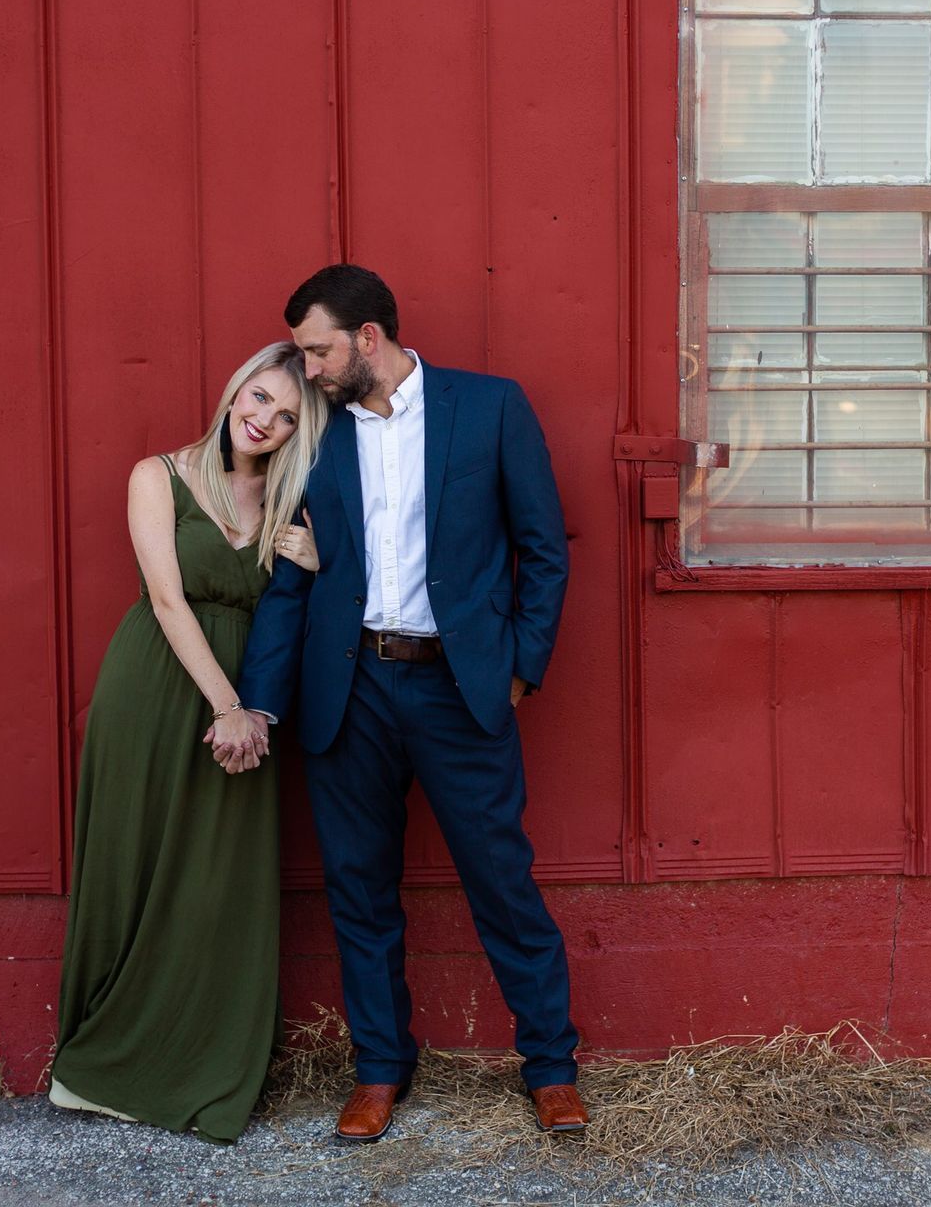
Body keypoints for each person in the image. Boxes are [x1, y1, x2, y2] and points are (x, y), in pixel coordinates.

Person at [218, 264, 587, 1141]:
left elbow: (544, 546)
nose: (306, 371)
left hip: (459, 689)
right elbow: (290, 582)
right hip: (347, 690)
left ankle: (552, 1067)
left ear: (368, 338)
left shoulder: (490, 408)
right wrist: (263, 704)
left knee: (501, 881)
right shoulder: (315, 437)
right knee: (358, 888)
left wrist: (520, 667)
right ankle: (380, 1068)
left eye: (317, 350)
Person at [51, 343, 328, 1143]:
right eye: (261, 397)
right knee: (137, 864)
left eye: (285, 417)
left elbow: (322, 608)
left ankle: (196, 1065)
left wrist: (318, 560)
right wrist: (228, 707)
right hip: (162, 690)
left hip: (250, 710)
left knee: (218, 882)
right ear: (236, 387)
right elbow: (169, 602)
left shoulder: (291, 499)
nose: (265, 420)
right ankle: (97, 1068)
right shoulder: (158, 477)